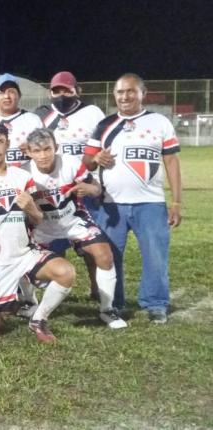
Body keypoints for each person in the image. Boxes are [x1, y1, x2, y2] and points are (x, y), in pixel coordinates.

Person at [0, 123, 75, 343]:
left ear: (7, 144)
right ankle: (14, 299)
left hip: (25, 253)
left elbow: (38, 219)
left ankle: (38, 319)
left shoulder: (22, 177)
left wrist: (31, 208)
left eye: (0, 142)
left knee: (66, 272)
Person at [83, 73, 182, 324]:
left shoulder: (159, 122)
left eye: (130, 91)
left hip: (150, 203)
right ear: (114, 95)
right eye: (120, 92)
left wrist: (177, 202)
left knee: (155, 255)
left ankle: (156, 303)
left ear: (142, 93)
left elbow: (171, 161)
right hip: (110, 204)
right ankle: (113, 303)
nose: (125, 96)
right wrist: (95, 160)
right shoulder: (105, 125)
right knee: (110, 256)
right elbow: (86, 162)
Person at [21, 128, 127, 329]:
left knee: (104, 254)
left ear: (56, 148)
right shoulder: (23, 173)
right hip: (41, 226)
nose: (43, 155)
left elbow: (95, 188)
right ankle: (29, 302)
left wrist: (91, 189)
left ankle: (107, 310)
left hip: (73, 219)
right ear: (28, 152)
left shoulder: (70, 163)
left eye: (47, 149)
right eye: (37, 150)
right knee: (22, 260)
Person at [34, 71, 108, 300]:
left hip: (83, 186)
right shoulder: (42, 115)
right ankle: (56, 287)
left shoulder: (92, 113)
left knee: (89, 240)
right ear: (50, 92)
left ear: (77, 90)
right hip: (52, 186)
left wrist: (97, 167)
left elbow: (102, 147)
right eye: (57, 90)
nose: (62, 94)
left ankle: (96, 288)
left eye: (67, 89)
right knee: (52, 240)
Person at [0, 73, 43, 167]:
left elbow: (45, 150)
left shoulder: (32, 120)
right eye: (2, 92)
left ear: (19, 95)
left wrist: (35, 148)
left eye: (11, 91)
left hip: (28, 178)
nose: (6, 96)